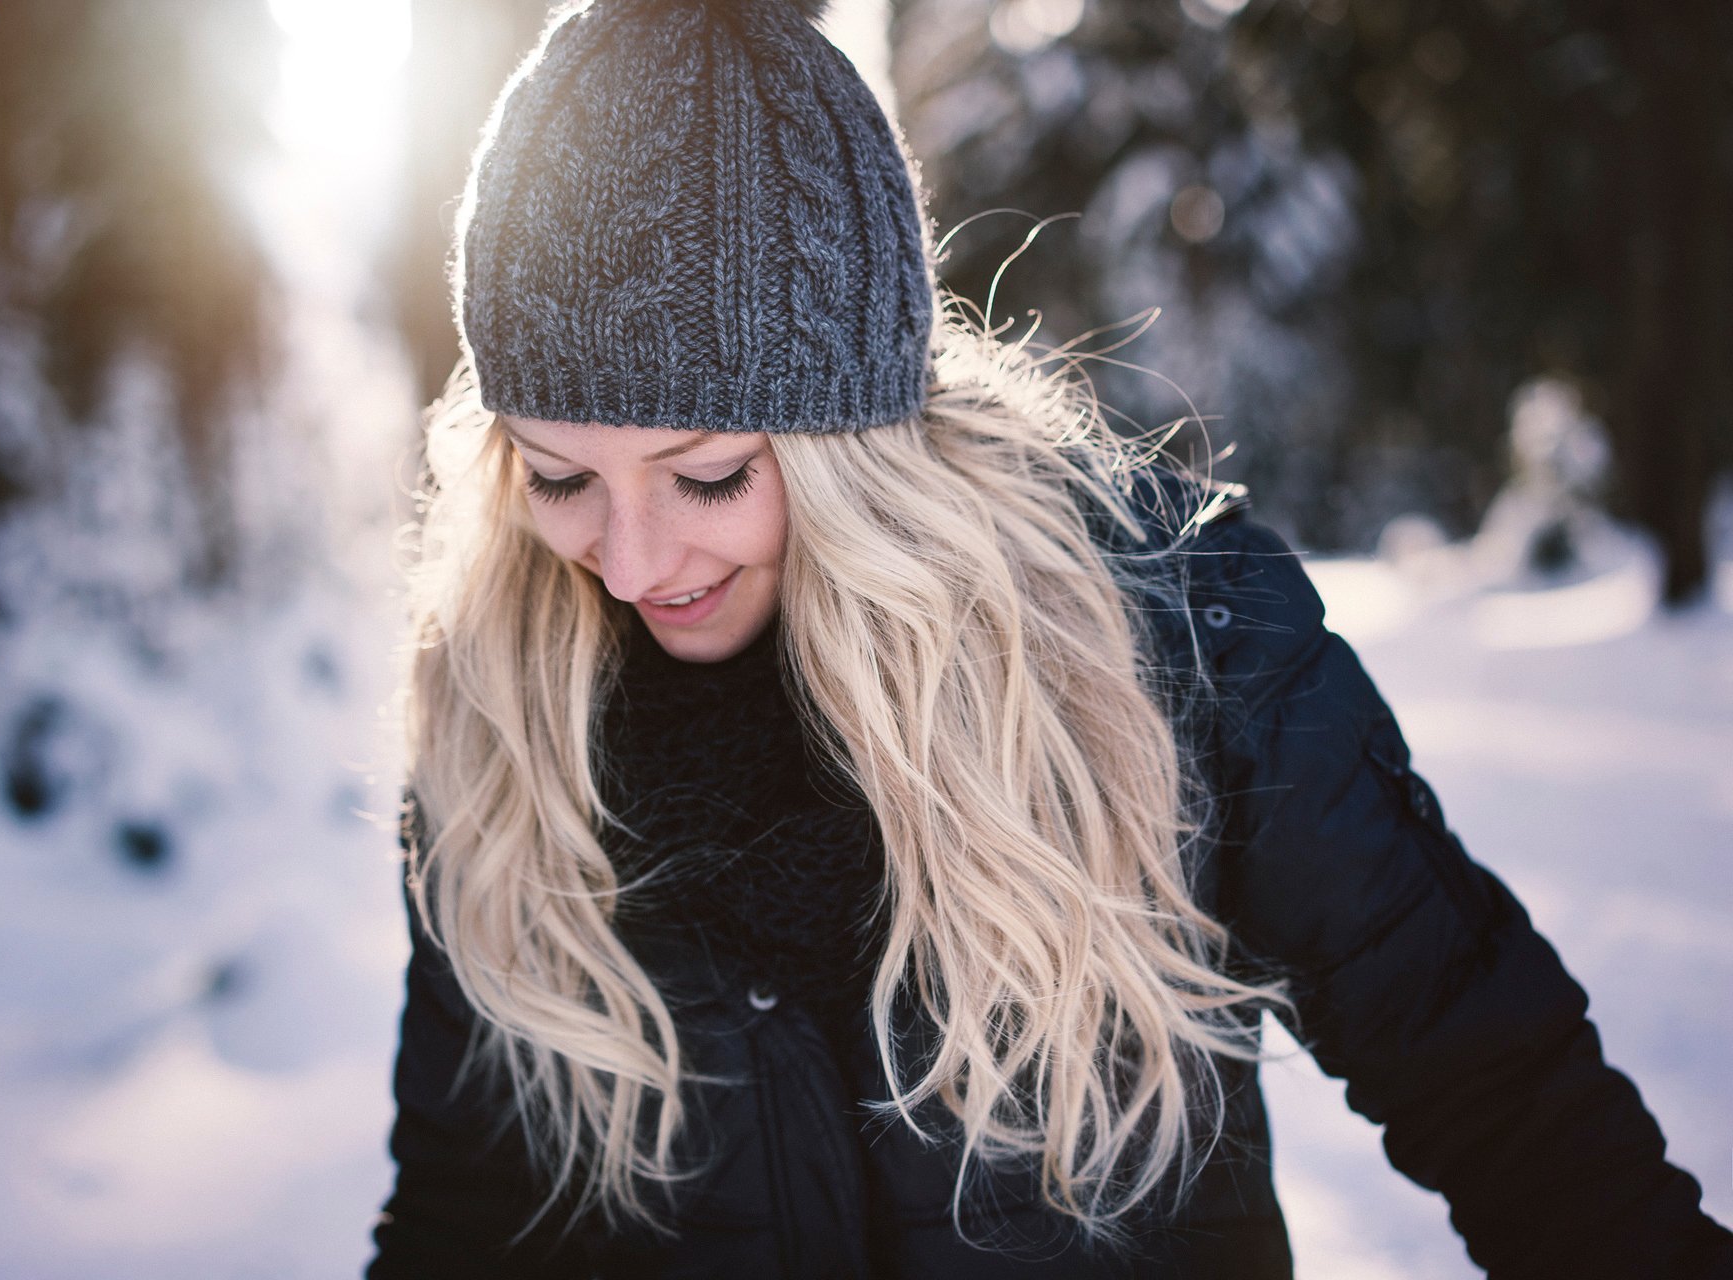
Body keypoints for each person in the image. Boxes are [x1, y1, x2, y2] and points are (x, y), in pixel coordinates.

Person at [367, 0, 1733, 1275]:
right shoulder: (505, 725)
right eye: (558, 479)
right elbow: (461, 1217)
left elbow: (1508, 1104)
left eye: (711, 474)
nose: (633, 558)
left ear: (859, 437)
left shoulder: (1180, 646)